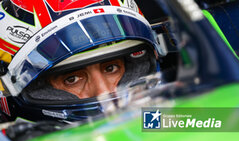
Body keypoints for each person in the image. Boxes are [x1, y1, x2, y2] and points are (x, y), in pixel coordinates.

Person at [0, 0, 163, 122]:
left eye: (111, 68)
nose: (104, 93)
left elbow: (184, 123)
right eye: (71, 79)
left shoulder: (169, 121)